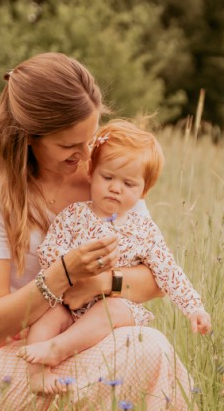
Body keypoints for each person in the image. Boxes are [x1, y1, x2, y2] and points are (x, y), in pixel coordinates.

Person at [0, 52, 197, 411]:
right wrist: (60, 277)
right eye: (69, 146)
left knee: (148, 347)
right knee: (142, 357)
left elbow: (154, 279)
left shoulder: (108, 176)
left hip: (80, 335)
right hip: (6, 350)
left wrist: (100, 281)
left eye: (91, 140)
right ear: (29, 137)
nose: (85, 157)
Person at [18, 119, 212, 393]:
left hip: (111, 310)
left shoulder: (143, 229)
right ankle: (37, 374)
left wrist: (194, 308)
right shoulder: (75, 215)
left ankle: (58, 349)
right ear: (91, 173)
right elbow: (49, 251)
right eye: (107, 178)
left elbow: (168, 272)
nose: (115, 188)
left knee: (114, 308)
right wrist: (71, 267)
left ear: (143, 191)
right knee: (47, 315)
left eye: (128, 184)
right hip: (70, 303)